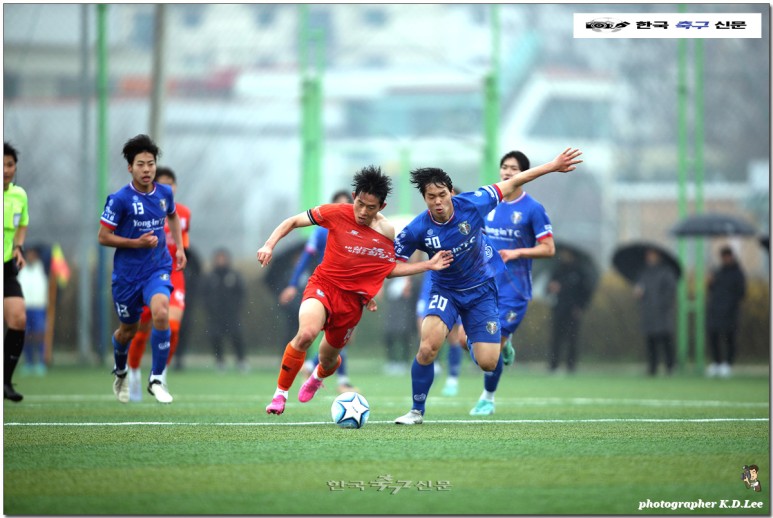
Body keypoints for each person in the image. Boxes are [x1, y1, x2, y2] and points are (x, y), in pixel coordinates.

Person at [393, 148, 582, 425]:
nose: (438, 202)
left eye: (442, 194)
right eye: (431, 197)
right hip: (445, 291)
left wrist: (553, 166)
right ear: (424, 198)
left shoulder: (474, 203)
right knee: (428, 348)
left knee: (488, 362)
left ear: (451, 192)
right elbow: (391, 267)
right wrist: (427, 265)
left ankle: (482, 342)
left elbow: (515, 182)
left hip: (482, 291)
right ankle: (416, 411)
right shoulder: (417, 229)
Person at [257, 165, 454, 416]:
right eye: (360, 204)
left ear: (381, 206)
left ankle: (317, 377)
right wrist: (269, 245)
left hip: (351, 303)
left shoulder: (386, 231)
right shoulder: (336, 212)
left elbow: (386, 268)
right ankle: (280, 395)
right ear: (354, 197)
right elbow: (293, 221)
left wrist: (427, 265)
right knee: (306, 334)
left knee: (328, 359)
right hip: (323, 286)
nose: (362, 212)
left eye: (370, 207)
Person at [98, 134, 186, 404]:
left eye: (151, 164)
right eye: (140, 164)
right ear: (130, 167)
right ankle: (121, 371)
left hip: (157, 268)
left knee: (161, 311)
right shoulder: (119, 199)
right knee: (128, 331)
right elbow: (103, 237)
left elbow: (173, 216)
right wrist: (136, 242)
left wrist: (179, 248)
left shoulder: (164, 193)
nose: (147, 169)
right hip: (127, 277)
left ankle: (157, 379)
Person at [468, 150, 557, 416]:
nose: (507, 172)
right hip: (484, 286)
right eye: (504, 167)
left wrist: (516, 253)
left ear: (524, 174)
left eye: (514, 168)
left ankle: (487, 398)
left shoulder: (533, 209)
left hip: (514, 290)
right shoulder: (490, 204)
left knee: (492, 349)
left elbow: (549, 248)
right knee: (467, 343)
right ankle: (504, 345)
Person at [279, 190, 357, 393]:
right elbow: (305, 258)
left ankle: (311, 367)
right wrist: (292, 284)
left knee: (343, 339)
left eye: (346, 204)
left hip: (349, 291)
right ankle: (342, 381)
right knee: (324, 335)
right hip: (325, 289)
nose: (342, 208)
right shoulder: (322, 230)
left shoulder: (358, 231)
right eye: (338, 204)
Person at [126, 166, 191, 401]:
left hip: (173, 273)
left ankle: (159, 374)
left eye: (170, 183)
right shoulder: (141, 209)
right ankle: (133, 372)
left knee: (172, 326)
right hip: (147, 274)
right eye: (162, 183)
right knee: (141, 330)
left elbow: (183, 240)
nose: (167, 188)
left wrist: (182, 251)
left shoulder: (183, 214)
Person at [3, 141, 28, 402]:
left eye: (9, 165)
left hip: (6, 266)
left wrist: (18, 247)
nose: (5, 170)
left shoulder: (19, 195)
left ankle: (5, 381)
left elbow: (22, 224)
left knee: (18, 319)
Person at [547, 247, 593, 374]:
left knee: (572, 338)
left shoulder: (580, 271)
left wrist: (580, 306)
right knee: (556, 337)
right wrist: (551, 288)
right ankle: (553, 365)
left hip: (573, 309)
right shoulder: (557, 269)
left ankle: (571, 366)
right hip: (558, 308)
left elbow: (586, 291)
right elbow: (549, 288)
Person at [202, 247, 249, 372]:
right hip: (215, 315)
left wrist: (236, 307)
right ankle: (220, 361)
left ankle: (241, 361)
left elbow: (241, 293)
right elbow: (204, 294)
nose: (221, 261)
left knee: (236, 336)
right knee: (215, 337)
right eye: (219, 258)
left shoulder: (234, 275)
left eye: (223, 258)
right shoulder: (210, 276)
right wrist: (210, 308)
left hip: (232, 314)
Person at [633, 247, 677, 376]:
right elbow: (640, 288)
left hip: (662, 312)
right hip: (648, 312)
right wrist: (638, 293)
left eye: (652, 255)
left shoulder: (666, 272)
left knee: (666, 340)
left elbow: (670, 291)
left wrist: (662, 304)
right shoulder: (643, 273)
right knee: (650, 342)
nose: (649, 257)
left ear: (658, 256)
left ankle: (670, 367)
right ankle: (652, 368)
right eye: (648, 255)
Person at [706, 245, 746, 378]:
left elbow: (741, 293)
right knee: (713, 337)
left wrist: (730, 304)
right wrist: (710, 282)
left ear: (731, 257)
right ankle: (717, 363)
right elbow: (712, 290)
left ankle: (728, 364)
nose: (725, 259)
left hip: (730, 312)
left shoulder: (738, 273)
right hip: (715, 310)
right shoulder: (718, 272)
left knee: (729, 338)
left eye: (727, 256)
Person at [18, 245, 49, 376]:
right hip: (24, 308)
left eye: (33, 254)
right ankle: (29, 362)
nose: (30, 256)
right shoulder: (21, 268)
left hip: (39, 308)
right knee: (26, 336)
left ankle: (41, 362)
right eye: (28, 254)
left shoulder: (43, 268)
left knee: (39, 334)